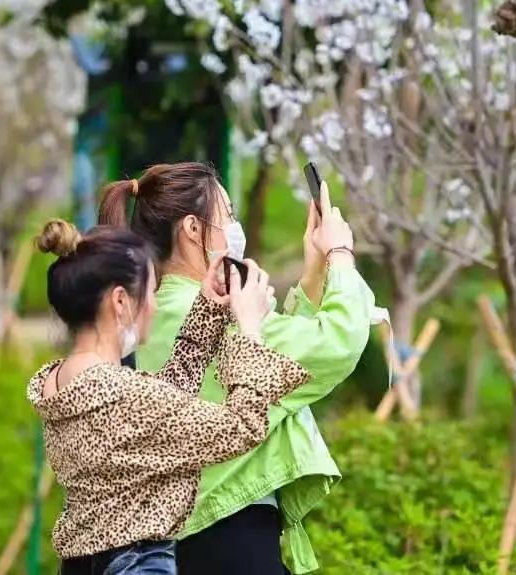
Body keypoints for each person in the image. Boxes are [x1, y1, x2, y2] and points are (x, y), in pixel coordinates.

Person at [97, 163, 374, 575]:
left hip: (192, 538)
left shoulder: (162, 310)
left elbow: (281, 348)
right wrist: (340, 253)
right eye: (229, 214)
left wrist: (315, 270)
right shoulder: (207, 310)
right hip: (230, 535)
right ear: (194, 228)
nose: (236, 227)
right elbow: (334, 344)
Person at [27, 219, 310, 575]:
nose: (155, 306)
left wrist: (208, 308)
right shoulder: (122, 394)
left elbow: (159, 406)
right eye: (150, 292)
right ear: (119, 301)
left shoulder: (66, 381)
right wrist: (250, 329)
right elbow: (240, 427)